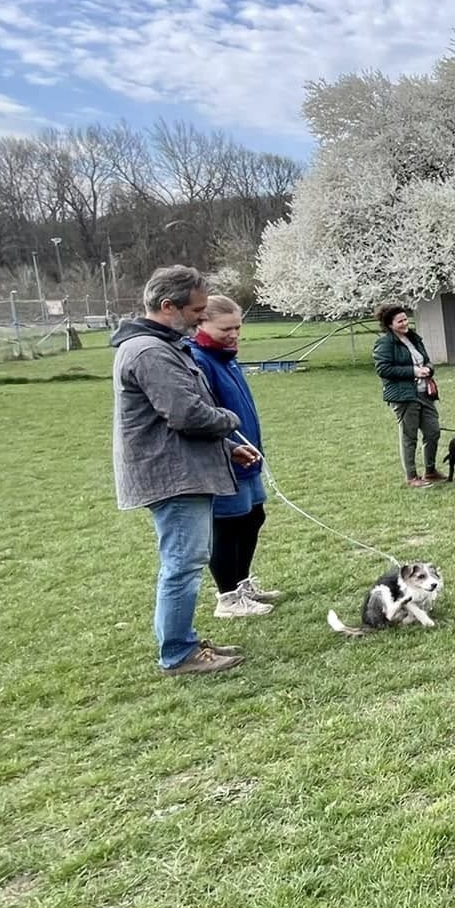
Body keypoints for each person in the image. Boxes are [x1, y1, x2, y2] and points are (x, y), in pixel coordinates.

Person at [112, 265, 260, 676]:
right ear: (167, 306)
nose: (200, 316)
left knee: (186, 560)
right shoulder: (150, 351)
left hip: (186, 467)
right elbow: (186, 414)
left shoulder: (164, 346)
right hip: (172, 476)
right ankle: (178, 653)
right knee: (183, 563)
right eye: (195, 310)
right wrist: (231, 421)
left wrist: (228, 448)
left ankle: (185, 641)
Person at [188, 296, 281, 617]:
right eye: (225, 328)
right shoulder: (198, 360)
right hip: (225, 459)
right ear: (201, 323)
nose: (234, 334)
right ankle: (227, 597)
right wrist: (228, 446)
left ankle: (242, 584)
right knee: (229, 526)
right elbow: (201, 414)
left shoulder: (226, 356)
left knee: (254, 518)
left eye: (238, 327)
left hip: (249, 455)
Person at [373, 303, 444, 486]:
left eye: (406, 319)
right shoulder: (385, 343)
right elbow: (384, 369)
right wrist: (413, 371)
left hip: (424, 393)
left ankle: (430, 470)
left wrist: (428, 369)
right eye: (400, 321)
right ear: (390, 324)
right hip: (403, 396)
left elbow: (427, 361)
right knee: (409, 435)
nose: (405, 323)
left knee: (433, 431)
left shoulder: (414, 338)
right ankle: (412, 477)